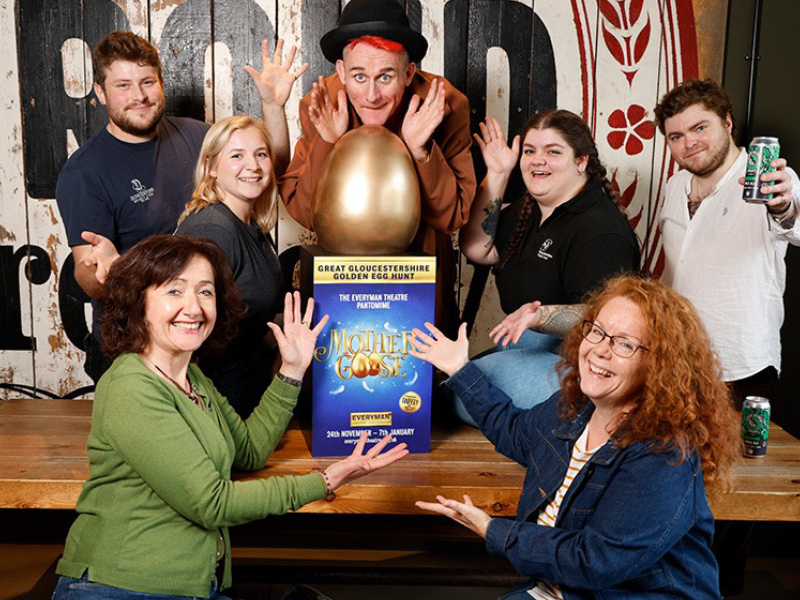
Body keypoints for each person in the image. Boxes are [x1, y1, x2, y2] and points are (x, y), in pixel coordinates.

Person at [52, 235, 407, 599]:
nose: (193, 307)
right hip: (117, 587)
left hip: (189, 587)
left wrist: (292, 370)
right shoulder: (132, 385)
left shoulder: (192, 378)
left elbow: (250, 451)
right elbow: (213, 503)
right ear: (138, 300)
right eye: (174, 291)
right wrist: (326, 480)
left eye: (205, 292)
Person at [409, 275, 740, 599]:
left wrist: (493, 530)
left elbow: (594, 562)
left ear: (659, 366)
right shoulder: (573, 410)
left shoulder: (663, 454)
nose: (600, 350)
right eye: (597, 332)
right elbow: (514, 432)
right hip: (560, 590)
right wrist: (459, 368)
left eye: (624, 343)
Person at [55, 31, 305, 382]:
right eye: (123, 85)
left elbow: (261, 172)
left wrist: (274, 108)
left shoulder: (194, 136)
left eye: (147, 82)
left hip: (203, 348)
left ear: (161, 82)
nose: (139, 96)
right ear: (100, 92)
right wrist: (112, 272)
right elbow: (88, 271)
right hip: (137, 351)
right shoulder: (85, 172)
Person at [653, 78, 800, 597]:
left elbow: (792, 217)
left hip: (743, 366)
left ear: (727, 123)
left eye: (700, 128)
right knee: (673, 486)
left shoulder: (769, 179)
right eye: (676, 136)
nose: (688, 142)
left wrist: (783, 204)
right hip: (679, 365)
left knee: (732, 500)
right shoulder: (674, 187)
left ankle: (723, 592)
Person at [277, 0, 476, 333]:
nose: (371, 95)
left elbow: (453, 215)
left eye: (386, 77)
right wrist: (329, 143)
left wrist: (420, 150)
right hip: (340, 278)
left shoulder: (445, 105)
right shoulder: (322, 103)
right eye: (359, 76)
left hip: (419, 276)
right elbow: (305, 212)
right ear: (341, 72)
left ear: (409, 73)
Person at [455, 111, 640, 424]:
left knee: (458, 391)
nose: (537, 160)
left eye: (553, 151)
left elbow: (607, 320)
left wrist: (539, 316)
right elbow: (476, 248)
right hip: (532, 347)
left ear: (581, 161)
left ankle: (582, 420)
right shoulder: (530, 210)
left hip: (590, 367)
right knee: (458, 381)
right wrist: (498, 173)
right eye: (530, 151)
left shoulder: (601, 231)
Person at [176, 115, 284, 417]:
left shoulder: (250, 225)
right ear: (211, 167)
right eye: (237, 156)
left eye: (261, 154)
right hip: (218, 401)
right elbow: (184, 330)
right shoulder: (214, 228)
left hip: (248, 388)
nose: (253, 166)